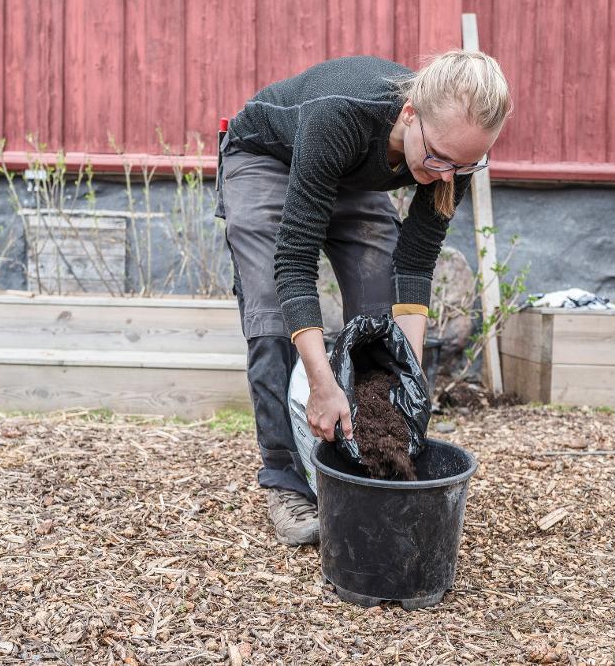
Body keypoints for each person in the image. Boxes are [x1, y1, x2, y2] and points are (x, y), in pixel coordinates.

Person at [216, 50, 511, 545]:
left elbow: (414, 265)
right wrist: (321, 382)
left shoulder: (452, 156)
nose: (446, 177)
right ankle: (285, 480)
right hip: (268, 159)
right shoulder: (343, 111)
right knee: (271, 313)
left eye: (463, 166)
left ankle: (366, 461)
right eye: (438, 158)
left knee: (379, 326)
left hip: (349, 175)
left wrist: (407, 375)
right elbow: (294, 261)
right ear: (410, 113)